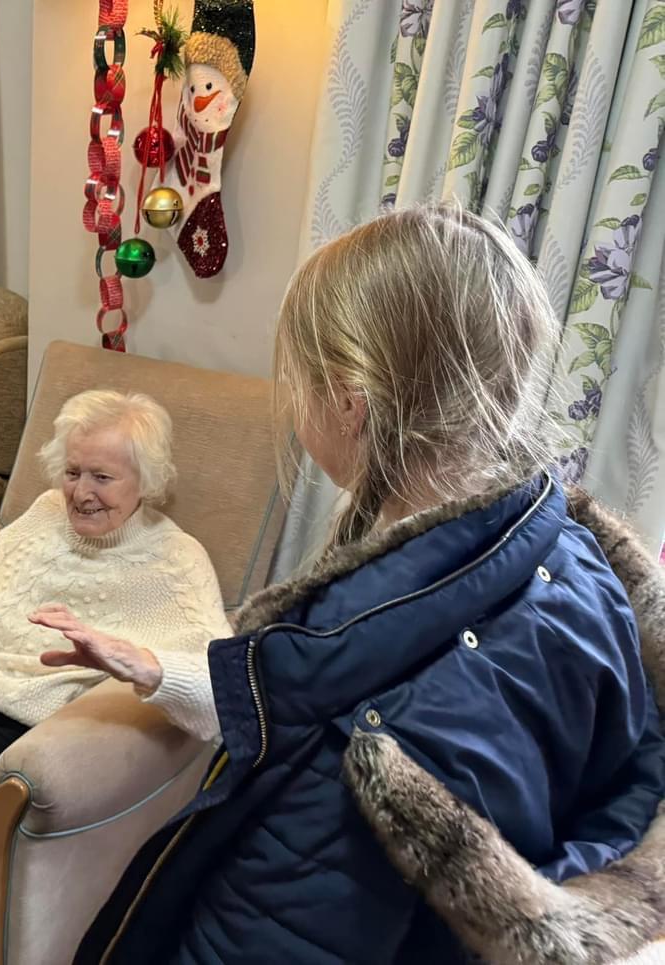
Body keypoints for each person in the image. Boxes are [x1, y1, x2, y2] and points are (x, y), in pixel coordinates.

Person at [72, 203, 665, 963]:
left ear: (350, 401)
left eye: (298, 380)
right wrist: (170, 673)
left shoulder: (366, 746)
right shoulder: (577, 563)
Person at [0, 389, 232, 812]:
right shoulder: (44, 513)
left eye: (101, 477)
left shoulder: (177, 560)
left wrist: (137, 662)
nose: (81, 493)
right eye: (72, 472)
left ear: (145, 480)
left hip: (26, 726)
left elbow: (221, 694)